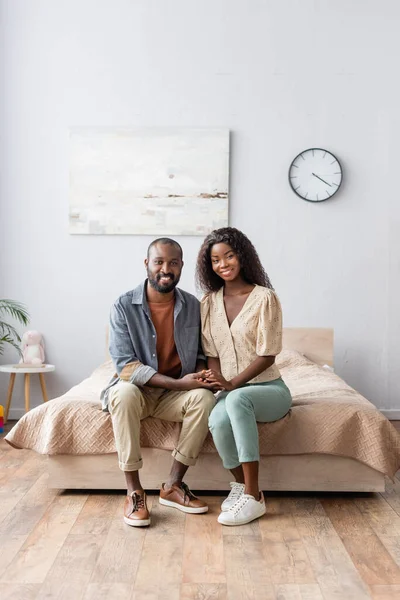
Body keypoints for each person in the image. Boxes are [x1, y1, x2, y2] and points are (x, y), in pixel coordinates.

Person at [101, 237, 216, 527]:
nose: (166, 269)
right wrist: (181, 385)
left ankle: (173, 486)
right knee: (123, 394)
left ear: (181, 266)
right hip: (138, 392)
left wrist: (201, 376)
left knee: (204, 399)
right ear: (147, 264)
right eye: (159, 262)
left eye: (173, 263)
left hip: (173, 395)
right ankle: (134, 491)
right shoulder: (123, 305)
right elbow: (125, 367)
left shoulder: (193, 305)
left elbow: (201, 352)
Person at [196, 227, 292, 526]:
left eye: (229, 255)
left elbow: (268, 354)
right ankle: (243, 486)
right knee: (216, 419)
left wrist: (232, 384)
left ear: (242, 256)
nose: (223, 264)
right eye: (215, 260)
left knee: (236, 400)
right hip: (231, 389)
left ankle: (252, 497)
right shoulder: (208, 302)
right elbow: (211, 351)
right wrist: (216, 380)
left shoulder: (265, 298)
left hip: (269, 390)